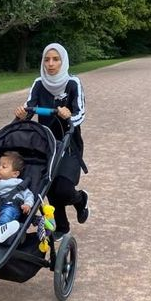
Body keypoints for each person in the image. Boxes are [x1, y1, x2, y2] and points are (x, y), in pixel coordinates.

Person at [14, 43, 89, 241]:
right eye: (47, 60)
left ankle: (80, 199)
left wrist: (69, 116)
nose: (51, 64)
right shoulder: (39, 83)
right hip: (46, 143)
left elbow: (81, 113)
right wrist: (22, 114)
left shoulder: (73, 83)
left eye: (56, 59)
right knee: (48, 186)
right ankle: (62, 227)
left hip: (69, 143)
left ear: (63, 62)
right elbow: (30, 108)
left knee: (63, 189)